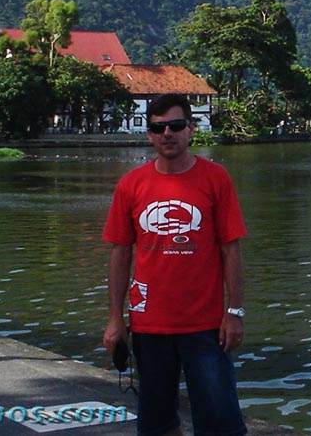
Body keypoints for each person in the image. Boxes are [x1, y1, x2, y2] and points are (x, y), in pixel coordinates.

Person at [102, 93, 248, 436]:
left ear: (190, 130)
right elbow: (121, 253)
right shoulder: (131, 185)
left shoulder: (216, 179)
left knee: (220, 422)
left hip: (207, 327)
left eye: (176, 125)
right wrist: (114, 320)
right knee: (157, 424)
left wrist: (235, 312)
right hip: (150, 326)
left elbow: (231, 250)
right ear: (149, 134)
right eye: (158, 128)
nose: (167, 134)